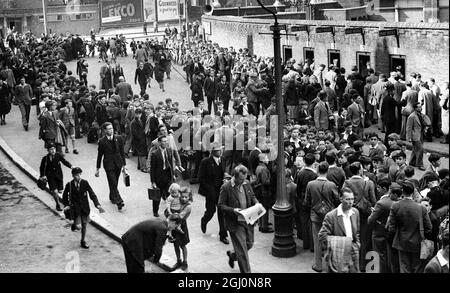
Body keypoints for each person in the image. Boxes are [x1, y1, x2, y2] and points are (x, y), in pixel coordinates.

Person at [219, 164, 258, 273]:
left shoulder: (246, 183)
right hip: (235, 223)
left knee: (249, 244)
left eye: (245, 179)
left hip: (248, 219)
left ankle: (233, 254)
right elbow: (221, 205)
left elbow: (252, 196)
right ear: (235, 177)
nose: (243, 181)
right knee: (242, 251)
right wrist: (233, 210)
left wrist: (256, 203)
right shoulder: (226, 187)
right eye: (241, 179)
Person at [387, 181, 432, 273]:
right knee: (417, 268)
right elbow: (429, 227)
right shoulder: (421, 208)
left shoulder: (395, 206)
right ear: (413, 192)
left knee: (404, 267)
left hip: (401, 241)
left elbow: (391, 227)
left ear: (402, 191)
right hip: (418, 242)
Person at [304, 161, 339, 272]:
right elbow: (337, 200)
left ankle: (318, 265)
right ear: (327, 171)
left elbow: (306, 201)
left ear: (318, 171)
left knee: (317, 240)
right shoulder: (332, 185)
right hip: (329, 216)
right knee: (330, 240)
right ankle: (331, 265)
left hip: (315, 215)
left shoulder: (310, 184)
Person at [343, 161, 376, 271]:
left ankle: (350, 264)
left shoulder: (347, 182)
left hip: (351, 213)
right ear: (360, 170)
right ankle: (362, 265)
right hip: (364, 214)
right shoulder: (369, 183)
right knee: (363, 239)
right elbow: (373, 200)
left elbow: (343, 197)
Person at [318, 187, 361, 273]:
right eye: (347, 199)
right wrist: (339, 243)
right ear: (341, 199)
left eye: (352, 199)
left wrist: (357, 244)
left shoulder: (355, 212)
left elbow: (357, 232)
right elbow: (322, 235)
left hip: (353, 250)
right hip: (337, 253)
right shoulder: (331, 216)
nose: (351, 202)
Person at [62, 167, 105, 249]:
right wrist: (66, 205)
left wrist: (97, 205)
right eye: (75, 175)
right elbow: (64, 195)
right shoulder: (70, 185)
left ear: (80, 174)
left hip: (85, 208)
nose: (77, 177)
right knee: (78, 226)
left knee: (84, 225)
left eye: (78, 175)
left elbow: (92, 194)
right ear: (72, 175)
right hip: (75, 209)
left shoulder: (85, 183)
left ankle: (83, 241)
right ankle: (75, 225)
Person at [367, 181, 402, 273]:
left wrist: (372, 214)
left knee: (379, 254)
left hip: (379, 231)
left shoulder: (381, 203)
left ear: (384, 189)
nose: (377, 190)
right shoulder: (397, 201)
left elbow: (370, 220)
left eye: (378, 188)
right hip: (393, 233)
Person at [199, 142, 229, 244]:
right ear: (212, 152)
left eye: (220, 150)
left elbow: (223, 172)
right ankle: (204, 220)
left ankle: (223, 235)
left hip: (220, 191)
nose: (219, 152)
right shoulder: (205, 162)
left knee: (222, 213)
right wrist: (209, 190)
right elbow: (201, 178)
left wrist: (225, 178)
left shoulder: (222, 160)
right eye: (217, 150)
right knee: (211, 211)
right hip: (211, 192)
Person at [95, 122, 127, 211]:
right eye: (108, 129)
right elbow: (99, 155)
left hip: (118, 164)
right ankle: (119, 201)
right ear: (105, 130)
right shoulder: (102, 141)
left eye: (111, 128)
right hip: (108, 165)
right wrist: (97, 169)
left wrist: (124, 165)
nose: (111, 130)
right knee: (113, 181)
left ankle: (112, 196)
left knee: (114, 181)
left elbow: (122, 153)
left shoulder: (119, 138)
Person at [39, 143, 73, 211]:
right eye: (51, 149)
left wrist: (71, 166)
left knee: (60, 191)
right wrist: (43, 176)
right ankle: (58, 204)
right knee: (54, 191)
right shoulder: (45, 159)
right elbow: (42, 168)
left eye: (54, 149)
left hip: (59, 176)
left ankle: (62, 199)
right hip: (50, 177)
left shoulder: (58, 155)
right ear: (48, 150)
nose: (53, 150)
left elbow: (64, 161)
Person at [295, 152, 318, 248]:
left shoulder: (300, 173)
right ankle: (312, 244)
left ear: (304, 161)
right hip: (312, 201)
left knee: (304, 221)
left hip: (302, 200)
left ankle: (306, 243)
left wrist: (300, 196)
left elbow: (298, 187)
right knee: (312, 222)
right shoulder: (314, 174)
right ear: (314, 162)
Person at [149, 135, 176, 217]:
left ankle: (169, 211)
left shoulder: (169, 151)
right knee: (157, 196)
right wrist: (153, 181)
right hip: (159, 177)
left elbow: (171, 163)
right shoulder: (155, 154)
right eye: (163, 141)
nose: (165, 143)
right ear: (160, 143)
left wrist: (173, 175)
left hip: (167, 176)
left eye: (166, 141)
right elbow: (152, 169)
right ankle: (155, 211)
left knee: (169, 195)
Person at [171, 187, 193, 271]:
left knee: (182, 245)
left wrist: (172, 214)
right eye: (182, 196)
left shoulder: (188, 206)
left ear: (189, 197)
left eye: (186, 197)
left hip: (182, 225)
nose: (184, 198)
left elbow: (180, 216)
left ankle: (185, 262)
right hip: (174, 225)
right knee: (175, 244)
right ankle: (178, 260)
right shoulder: (178, 201)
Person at [406, 102, 431, 171]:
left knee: (415, 149)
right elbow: (408, 128)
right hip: (415, 136)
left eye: (420, 107)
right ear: (415, 108)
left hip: (421, 135)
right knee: (420, 149)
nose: (421, 108)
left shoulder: (421, 115)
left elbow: (428, 122)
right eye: (419, 107)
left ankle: (412, 162)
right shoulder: (411, 116)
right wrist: (409, 138)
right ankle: (420, 165)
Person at [254, 153, 274, 233]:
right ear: (262, 160)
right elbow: (265, 182)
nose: (268, 160)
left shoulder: (258, 167)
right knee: (264, 209)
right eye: (266, 158)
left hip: (260, 191)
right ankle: (264, 226)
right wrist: (271, 181)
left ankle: (261, 224)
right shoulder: (264, 169)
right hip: (264, 191)